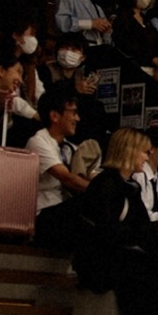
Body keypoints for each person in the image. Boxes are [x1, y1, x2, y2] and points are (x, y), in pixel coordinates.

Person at [73, 128, 158, 315]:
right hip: (98, 259)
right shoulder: (105, 185)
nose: (147, 155)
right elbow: (107, 233)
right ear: (129, 152)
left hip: (123, 251)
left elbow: (140, 227)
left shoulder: (129, 186)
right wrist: (150, 231)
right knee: (144, 274)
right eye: (144, 150)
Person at [25, 88, 94, 249]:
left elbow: (88, 174)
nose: (77, 118)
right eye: (73, 112)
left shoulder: (70, 147)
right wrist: (98, 191)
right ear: (55, 116)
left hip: (64, 210)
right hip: (43, 214)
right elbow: (66, 178)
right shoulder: (38, 141)